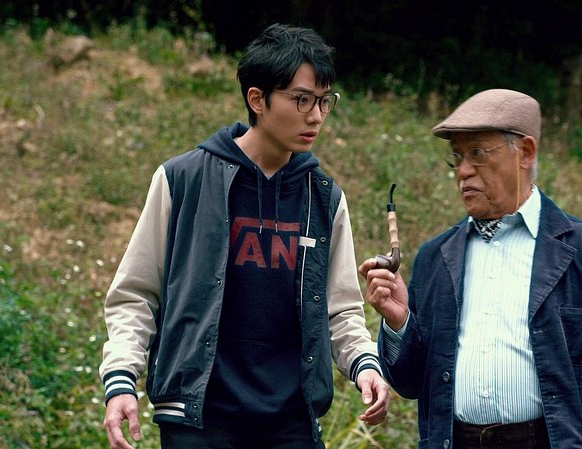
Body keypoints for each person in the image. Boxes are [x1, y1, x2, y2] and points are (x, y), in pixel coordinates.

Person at [99, 23, 390, 449]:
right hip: (197, 419)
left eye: (324, 100)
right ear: (257, 99)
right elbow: (136, 294)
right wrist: (121, 379)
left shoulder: (324, 198)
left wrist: (366, 366)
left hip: (290, 422)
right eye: (301, 99)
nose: (316, 116)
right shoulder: (182, 180)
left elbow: (341, 308)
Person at [359, 89, 582, 449]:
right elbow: (410, 383)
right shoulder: (435, 257)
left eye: (478, 153)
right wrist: (399, 323)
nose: (463, 171)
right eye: (457, 156)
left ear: (526, 153)